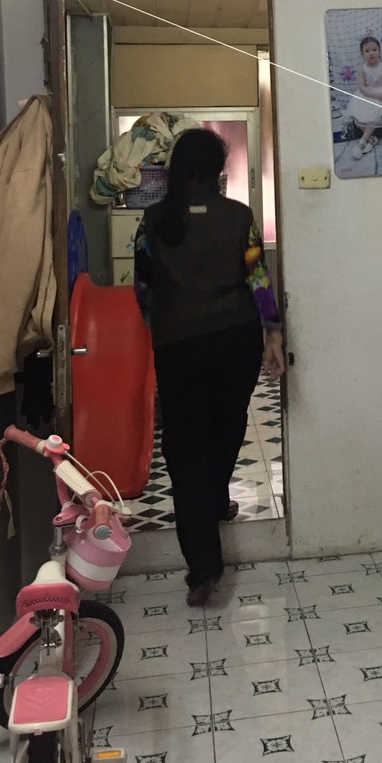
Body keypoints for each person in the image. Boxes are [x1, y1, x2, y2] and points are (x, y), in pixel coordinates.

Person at [133, 128, 285, 607]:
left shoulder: (154, 220)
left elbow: (142, 289)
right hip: (237, 338)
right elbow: (258, 277)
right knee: (228, 424)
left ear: (176, 169)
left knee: (185, 448)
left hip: (179, 344)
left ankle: (203, 569)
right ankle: (216, 499)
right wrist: (273, 333)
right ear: (219, 169)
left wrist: (162, 326)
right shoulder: (239, 216)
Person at [350, 35, 382, 159]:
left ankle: (362, 142)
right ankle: (371, 139)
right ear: (362, 54)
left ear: (379, 51)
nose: (371, 53)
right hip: (367, 93)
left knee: (375, 112)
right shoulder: (362, 69)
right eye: (367, 51)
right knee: (355, 113)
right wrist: (373, 95)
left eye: (374, 50)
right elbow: (361, 86)